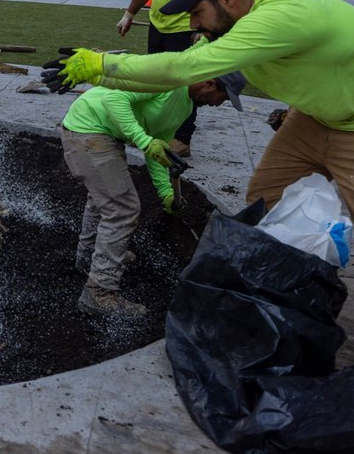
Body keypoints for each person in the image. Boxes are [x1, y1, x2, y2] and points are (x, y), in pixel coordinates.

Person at [51, 0, 354, 412]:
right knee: (261, 204)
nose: (194, 22)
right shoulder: (235, 25)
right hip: (318, 117)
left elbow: (182, 70)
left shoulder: (272, 19)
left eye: (197, 13)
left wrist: (102, 65)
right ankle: (269, 309)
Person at [61, 72, 244, 319]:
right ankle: (99, 291)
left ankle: (89, 257)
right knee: (122, 208)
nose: (218, 104)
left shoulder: (185, 106)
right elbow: (114, 99)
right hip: (87, 129)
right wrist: (144, 141)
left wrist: (167, 193)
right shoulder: (167, 79)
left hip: (102, 134)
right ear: (210, 83)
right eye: (222, 97)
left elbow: (159, 149)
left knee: (105, 197)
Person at [116, 0, 220, 157]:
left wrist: (205, 30)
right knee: (155, 82)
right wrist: (129, 14)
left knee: (185, 87)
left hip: (188, 30)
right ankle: (152, 130)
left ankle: (182, 139)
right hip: (158, 26)